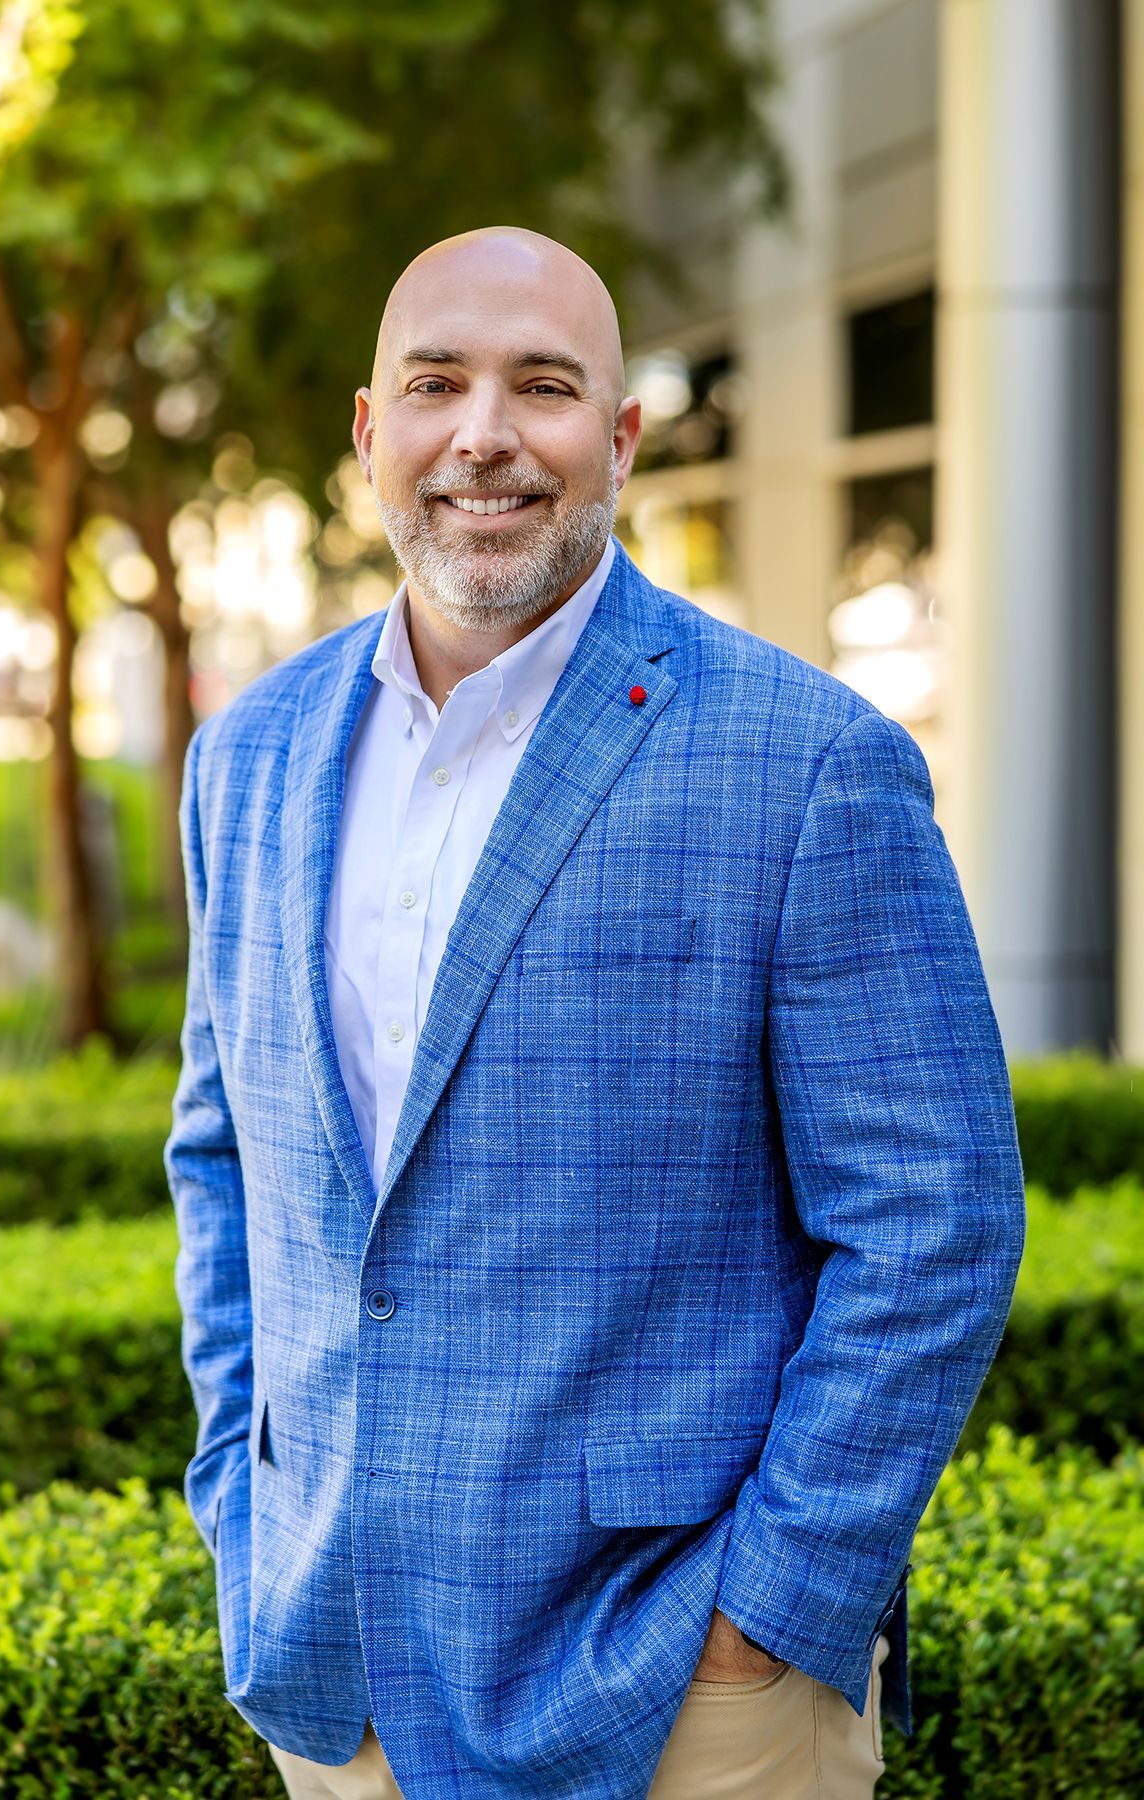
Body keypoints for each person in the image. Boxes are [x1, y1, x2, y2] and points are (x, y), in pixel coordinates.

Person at [164, 227, 1026, 1800]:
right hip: (331, 1677)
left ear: (620, 438)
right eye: (436, 383)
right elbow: (226, 1161)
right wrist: (242, 1494)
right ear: (372, 432)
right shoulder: (251, 758)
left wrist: (767, 1623)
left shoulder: (810, 764)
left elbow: (935, 1221)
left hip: (683, 1702)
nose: (483, 431)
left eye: (542, 384)